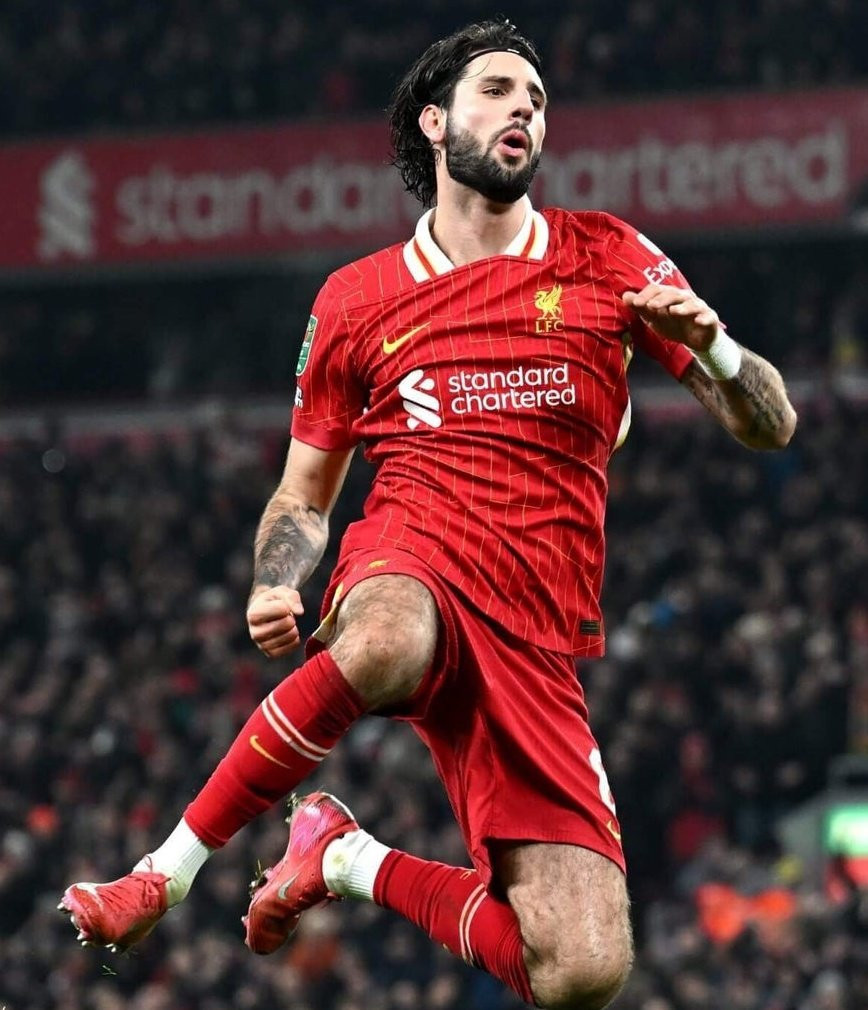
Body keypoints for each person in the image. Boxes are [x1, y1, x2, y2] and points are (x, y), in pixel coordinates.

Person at [60, 19, 797, 1010]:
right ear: (435, 119)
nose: (524, 109)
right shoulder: (357, 299)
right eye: (498, 89)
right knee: (388, 638)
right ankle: (164, 872)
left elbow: (771, 424)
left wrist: (713, 349)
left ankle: (344, 855)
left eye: (537, 99)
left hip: (536, 634)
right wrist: (276, 578)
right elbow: (304, 494)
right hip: (413, 562)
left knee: (580, 970)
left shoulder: (608, 257)